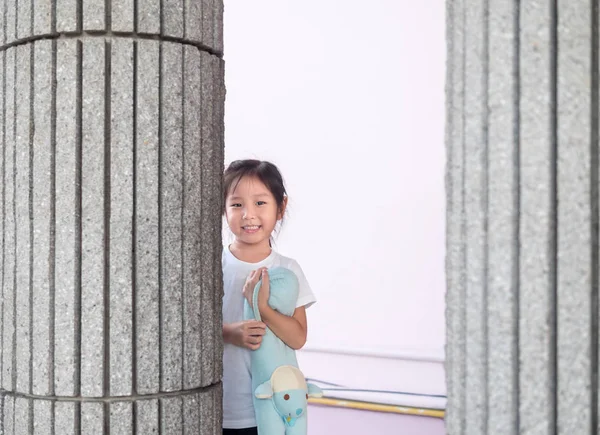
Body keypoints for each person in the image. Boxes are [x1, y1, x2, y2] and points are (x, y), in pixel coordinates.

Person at [221, 159, 316, 435]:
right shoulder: (215, 264)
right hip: (224, 405)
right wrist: (229, 333)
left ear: (280, 207)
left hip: (271, 408)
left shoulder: (287, 269)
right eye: (237, 204)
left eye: (260, 203)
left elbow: (298, 337)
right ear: (224, 209)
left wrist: (262, 307)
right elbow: (188, 331)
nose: (248, 215)